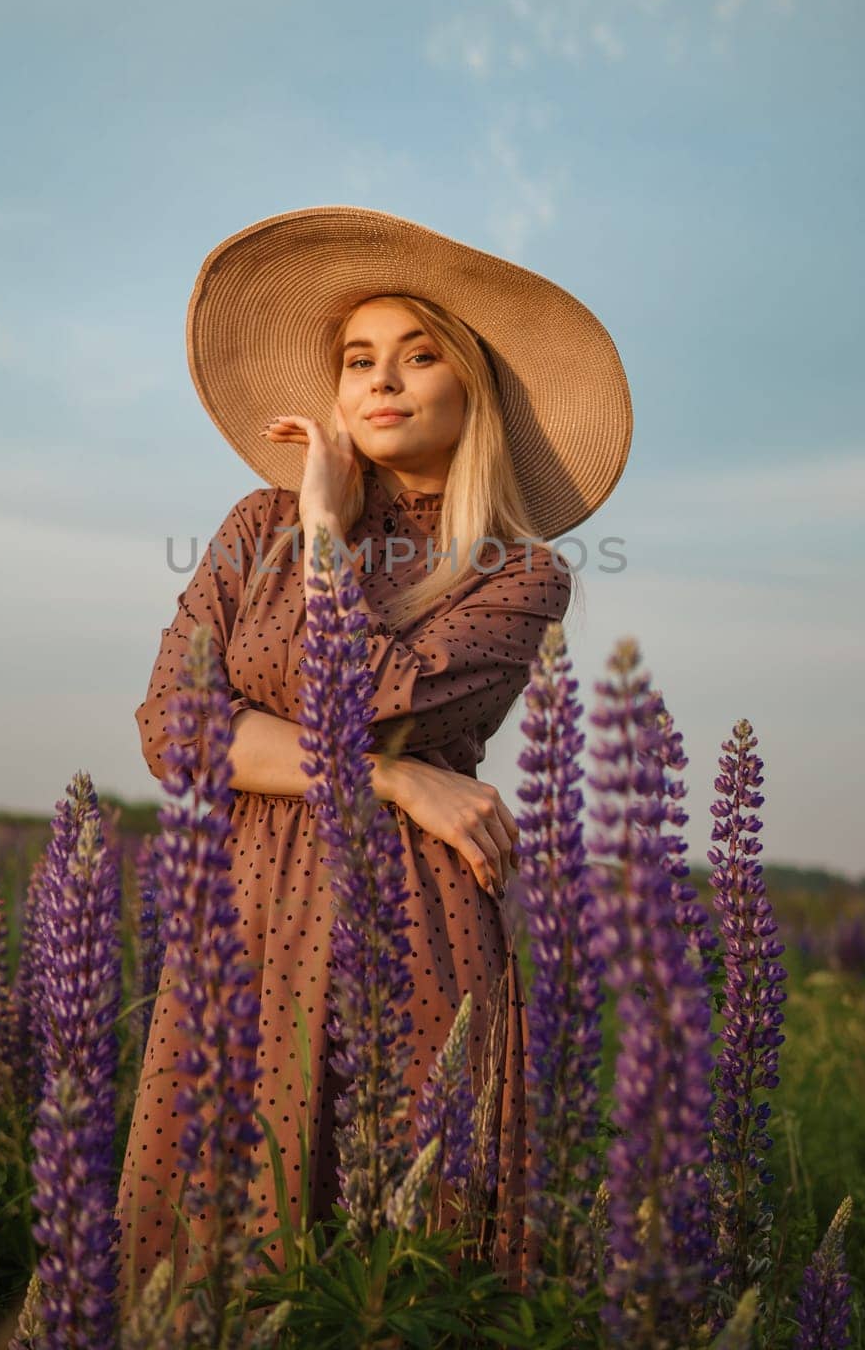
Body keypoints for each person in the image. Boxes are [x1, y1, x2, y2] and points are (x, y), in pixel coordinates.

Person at [115, 205, 633, 1311]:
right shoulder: (256, 522)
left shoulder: (518, 570)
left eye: (419, 353)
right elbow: (172, 728)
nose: (380, 381)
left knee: (394, 1255)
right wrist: (393, 774)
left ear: (472, 387)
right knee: (206, 1252)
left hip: (407, 922)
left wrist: (322, 546)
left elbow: (360, 691)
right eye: (358, 360)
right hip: (242, 910)